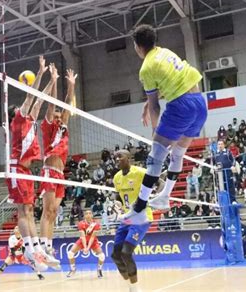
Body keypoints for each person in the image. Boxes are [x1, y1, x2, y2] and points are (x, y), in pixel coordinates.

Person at [121, 24, 207, 224]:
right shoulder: (165, 52)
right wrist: (146, 104)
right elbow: (171, 83)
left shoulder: (146, 68)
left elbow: (155, 108)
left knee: (156, 155)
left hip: (181, 106)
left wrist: (154, 132)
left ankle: (139, 208)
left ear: (137, 46)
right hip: (200, 104)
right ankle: (165, 196)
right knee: (177, 154)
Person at [6, 56, 59, 271]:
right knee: (23, 210)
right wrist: (39, 72)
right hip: (16, 169)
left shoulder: (29, 119)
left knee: (29, 210)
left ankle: (38, 251)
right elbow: (30, 96)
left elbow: (40, 98)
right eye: (20, 108)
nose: (25, 108)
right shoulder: (18, 120)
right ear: (14, 115)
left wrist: (52, 80)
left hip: (27, 171)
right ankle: (30, 250)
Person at [39, 66, 76, 264]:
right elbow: (51, 106)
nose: (59, 116)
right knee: (47, 211)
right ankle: (43, 247)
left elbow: (68, 104)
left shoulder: (63, 126)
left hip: (61, 175)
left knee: (54, 212)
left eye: (60, 115)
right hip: (48, 172)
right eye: (57, 115)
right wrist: (53, 81)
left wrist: (71, 86)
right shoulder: (47, 126)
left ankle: (49, 247)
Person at [112, 150, 154, 292]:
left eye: (120, 156)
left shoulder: (140, 172)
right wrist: (116, 204)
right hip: (127, 217)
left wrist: (155, 197)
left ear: (128, 158)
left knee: (126, 253)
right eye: (115, 157)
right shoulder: (116, 177)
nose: (117, 159)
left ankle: (135, 289)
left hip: (142, 217)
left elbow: (159, 182)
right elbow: (118, 196)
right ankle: (130, 286)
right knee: (116, 255)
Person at [66, 210, 105, 279]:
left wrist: (88, 247)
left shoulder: (96, 224)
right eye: (86, 213)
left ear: (92, 215)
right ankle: (73, 269)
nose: (88, 215)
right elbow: (83, 236)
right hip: (82, 241)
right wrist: (85, 247)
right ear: (84, 216)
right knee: (70, 253)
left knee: (102, 256)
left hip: (93, 242)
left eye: (90, 213)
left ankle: (99, 269)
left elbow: (93, 237)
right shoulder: (81, 223)